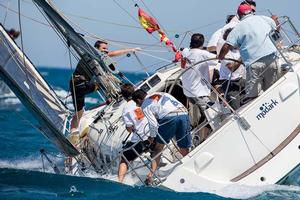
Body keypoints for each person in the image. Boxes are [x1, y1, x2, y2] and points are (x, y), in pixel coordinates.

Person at [218, 4, 279, 103]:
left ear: (239, 15)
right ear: (251, 11)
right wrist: (274, 19)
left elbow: (226, 46)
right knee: (273, 89)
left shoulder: (238, 28)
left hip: (254, 63)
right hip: (272, 58)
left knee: (253, 96)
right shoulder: (264, 19)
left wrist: (220, 57)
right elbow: (276, 27)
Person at [132, 89, 192, 184]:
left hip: (169, 118)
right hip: (184, 113)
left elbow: (153, 124)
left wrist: (151, 137)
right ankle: (190, 165)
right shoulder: (160, 93)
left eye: (137, 103)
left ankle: (151, 175)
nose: (138, 105)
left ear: (139, 100)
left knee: (158, 148)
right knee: (183, 146)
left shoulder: (144, 105)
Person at [181, 33, 218, 140]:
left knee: (201, 118)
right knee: (213, 114)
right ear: (202, 43)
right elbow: (218, 59)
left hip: (188, 92)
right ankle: (211, 136)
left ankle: (201, 137)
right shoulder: (203, 54)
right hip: (200, 92)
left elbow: (186, 51)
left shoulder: (185, 53)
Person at [118, 84, 150, 183]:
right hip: (152, 135)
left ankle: (120, 181)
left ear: (123, 96)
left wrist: (129, 127)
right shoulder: (141, 102)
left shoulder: (126, 109)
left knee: (124, 156)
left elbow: (130, 128)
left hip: (141, 140)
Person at [217, 28, 245, 109]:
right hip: (230, 83)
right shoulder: (225, 52)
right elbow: (232, 68)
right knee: (237, 108)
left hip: (241, 80)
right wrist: (243, 56)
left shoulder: (239, 48)